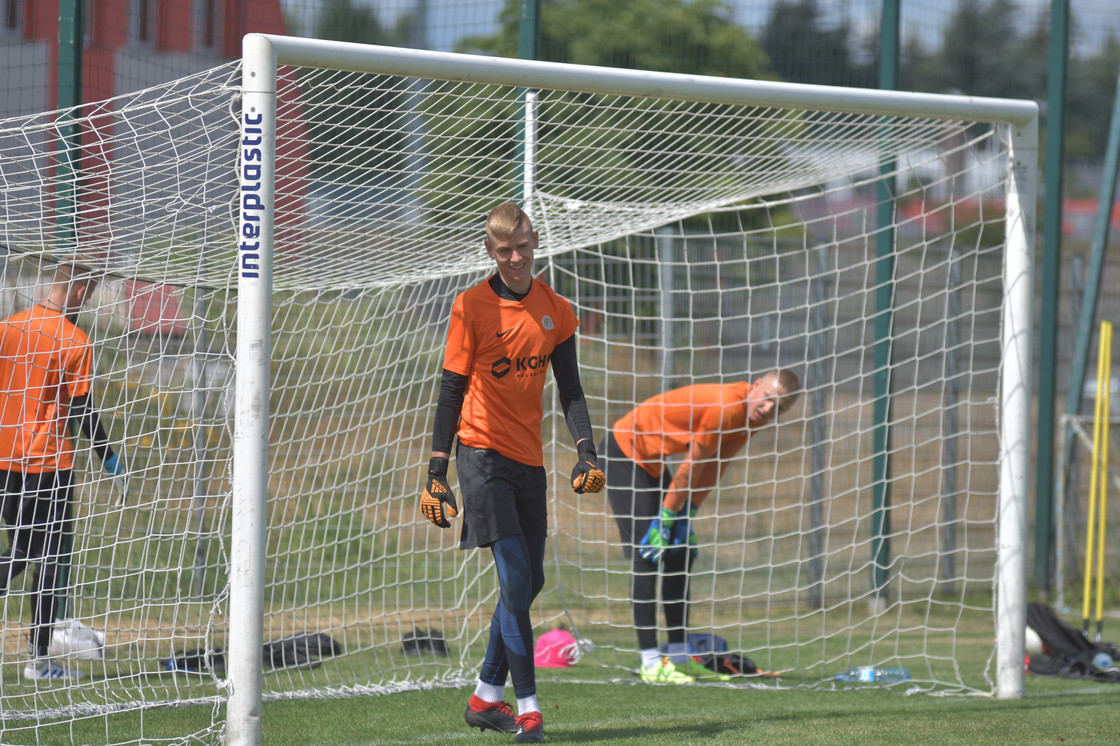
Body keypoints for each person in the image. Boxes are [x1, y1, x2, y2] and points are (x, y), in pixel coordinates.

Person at [419, 202, 604, 743]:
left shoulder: (556, 310)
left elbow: (570, 390)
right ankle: (529, 711)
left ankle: (484, 697)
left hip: (530, 461)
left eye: (522, 247)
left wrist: (587, 450)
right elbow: (451, 390)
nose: (516, 258)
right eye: (504, 251)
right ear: (490, 252)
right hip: (479, 457)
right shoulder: (470, 306)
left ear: (535, 241)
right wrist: (436, 469)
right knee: (517, 579)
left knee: (530, 582)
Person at [599, 369, 801, 683]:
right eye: (768, 400)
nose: (768, 410)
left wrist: (687, 512)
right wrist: (667, 517)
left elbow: (717, 464)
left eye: (780, 409)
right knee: (649, 552)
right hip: (625, 451)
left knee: (681, 553)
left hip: (651, 462)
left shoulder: (752, 418)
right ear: (757, 384)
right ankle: (651, 662)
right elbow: (692, 464)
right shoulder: (727, 407)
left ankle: (678, 656)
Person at [0, 261, 128, 680]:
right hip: (47, 463)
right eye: (89, 294)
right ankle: (38, 660)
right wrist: (109, 458)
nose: (88, 301)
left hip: (3, 461)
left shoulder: (9, 327)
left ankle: (40, 657)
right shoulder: (75, 340)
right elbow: (82, 409)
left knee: (24, 547)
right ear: (77, 291)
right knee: (45, 556)